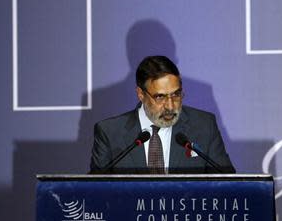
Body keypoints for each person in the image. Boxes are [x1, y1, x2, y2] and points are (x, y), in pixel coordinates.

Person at [90, 55, 235, 174]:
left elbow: (229, 184)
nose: (171, 106)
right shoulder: (110, 133)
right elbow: (95, 192)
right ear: (141, 94)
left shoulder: (204, 126)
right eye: (160, 97)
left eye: (176, 95)